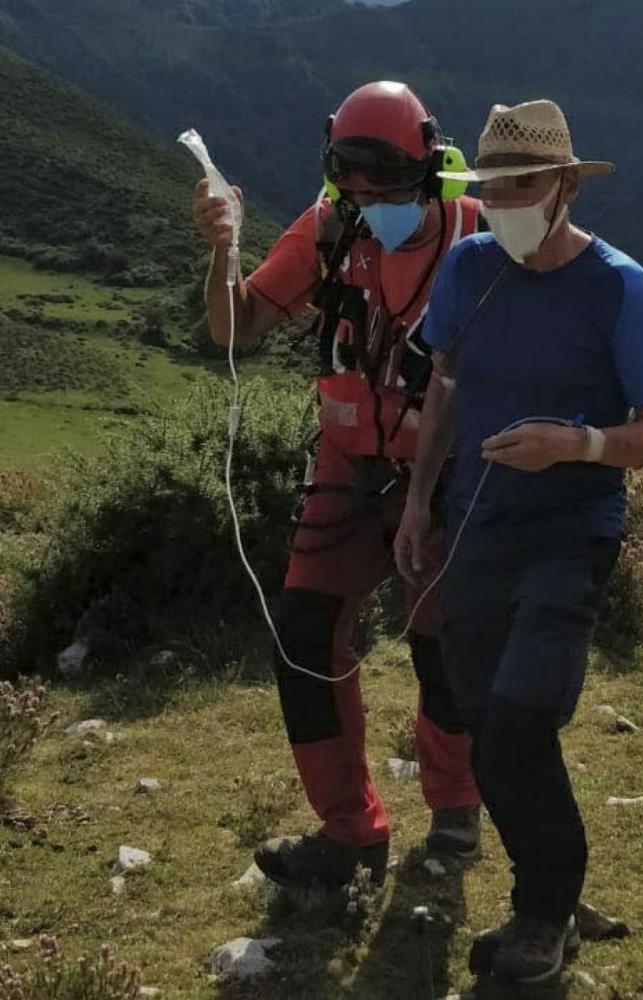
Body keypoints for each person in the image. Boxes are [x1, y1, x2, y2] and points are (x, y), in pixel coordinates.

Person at [394, 99, 643, 983]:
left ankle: (542, 917)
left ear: (563, 186)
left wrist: (578, 444)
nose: (505, 202)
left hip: (571, 532)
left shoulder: (618, 286)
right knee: (488, 724)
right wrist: (417, 502)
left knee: (521, 719)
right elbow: (442, 386)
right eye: (494, 188)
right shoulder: (468, 267)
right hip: (480, 524)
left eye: (523, 186)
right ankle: (557, 884)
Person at [191, 81, 484, 890]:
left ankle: (456, 811)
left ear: (427, 166)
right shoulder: (329, 232)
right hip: (347, 467)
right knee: (303, 639)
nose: (370, 204)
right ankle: (352, 833)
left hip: (449, 471)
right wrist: (223, 249)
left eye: (385, 188)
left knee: (442, 648)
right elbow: (235, 325)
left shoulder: (477, 237)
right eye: (352, 186)